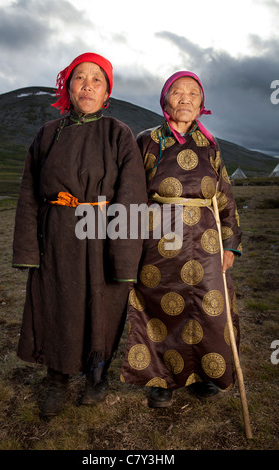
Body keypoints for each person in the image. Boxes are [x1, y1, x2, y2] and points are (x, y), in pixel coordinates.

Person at [12, 52, 147, 418]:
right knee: (57, 304)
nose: (87, 85)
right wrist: (28, 248)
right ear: (68, 87)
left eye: (96, 80)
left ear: (107, 93)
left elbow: (132, 194)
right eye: (79, 78)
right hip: (56, 236)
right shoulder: (46, 135)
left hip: (103, 233)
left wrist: (124, 256)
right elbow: (29, 193)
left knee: (102, 304)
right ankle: (57, 377)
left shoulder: (118, 133)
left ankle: (97, 377)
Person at [121, 71, 242, 407]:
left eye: (193, 93)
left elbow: (225, 198)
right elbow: (132, 193)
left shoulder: (211, 145)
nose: (185, 98)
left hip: (206, 240)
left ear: (202, 103)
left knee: (209, 308)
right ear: (165, 100)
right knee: (161, 306)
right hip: (160, 240)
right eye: (177, 92)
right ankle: (162, 380)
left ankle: (206, 374)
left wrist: (230, 244)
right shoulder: (148, 141)